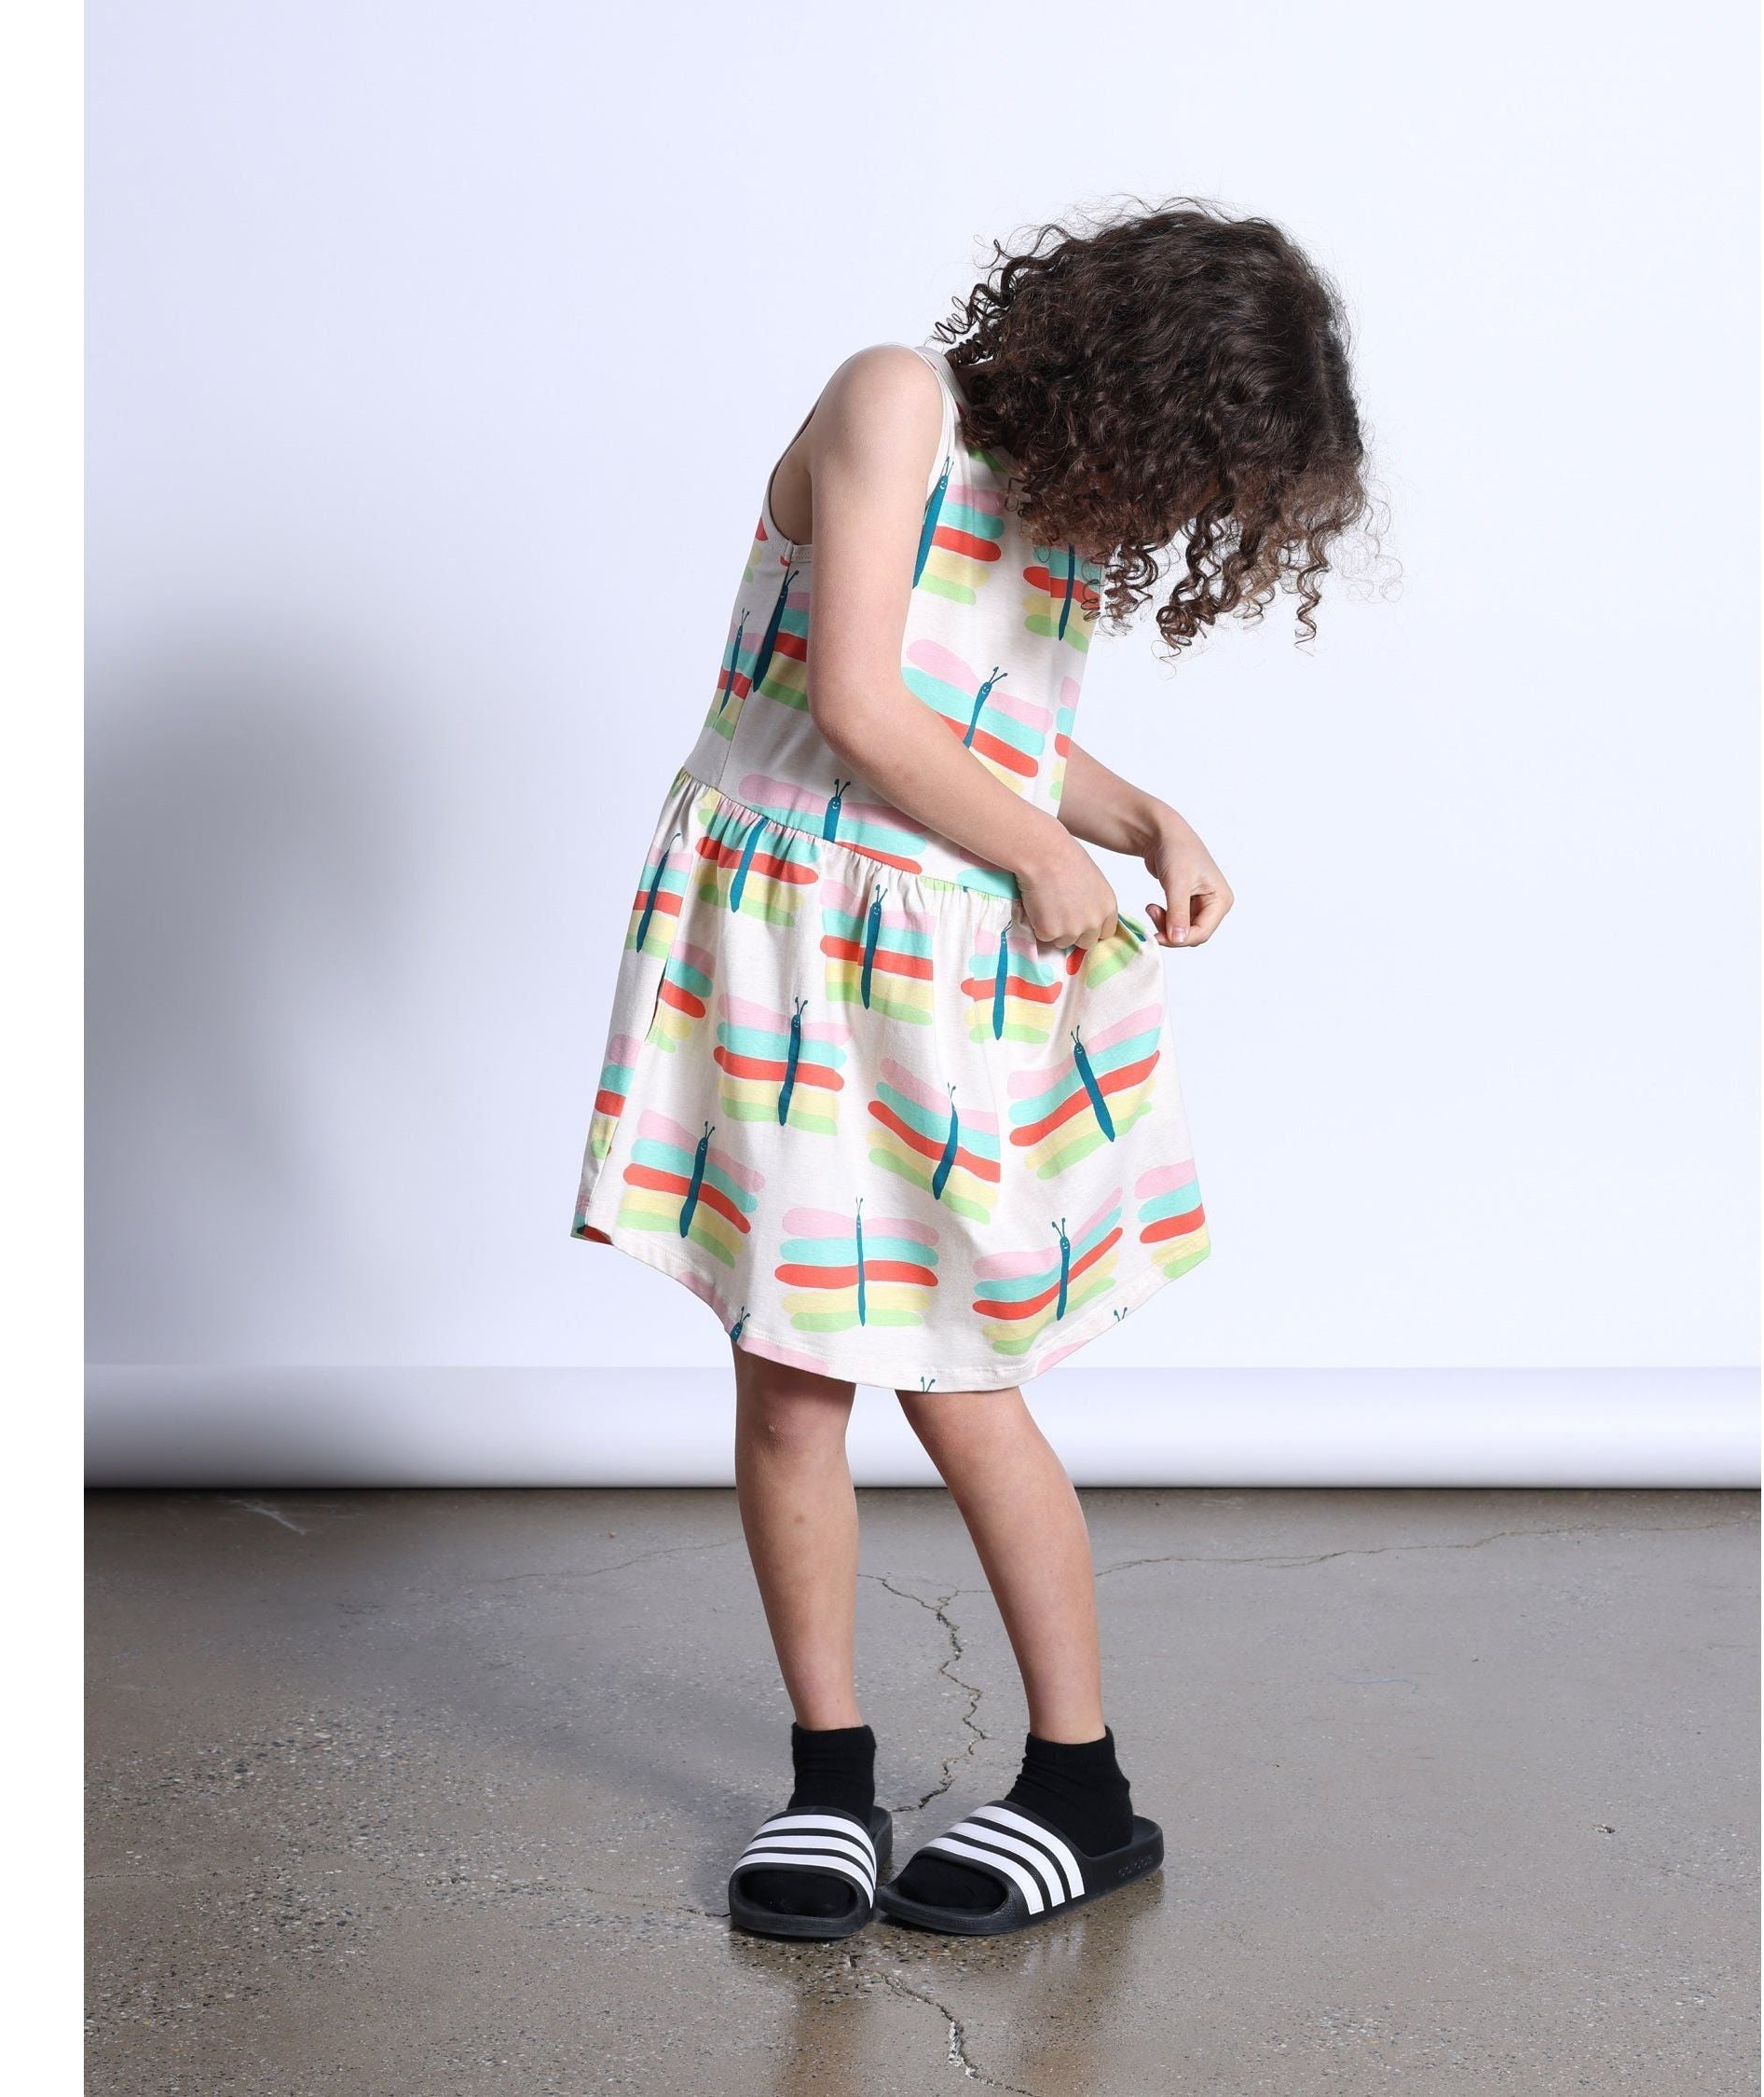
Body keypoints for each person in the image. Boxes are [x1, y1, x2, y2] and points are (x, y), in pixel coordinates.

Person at [572, 199, 1371, 1938]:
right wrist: (1041, 850)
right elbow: (856, 699)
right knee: (792, 1374)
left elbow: (985, 721)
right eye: (1186, 462)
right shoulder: (894, 402)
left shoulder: (1048, 505)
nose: (1170, 507)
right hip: (792, 940)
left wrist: (1136, 812)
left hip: (934, 965)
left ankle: (1083, 1788)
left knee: (962, 1368)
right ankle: (829, 1776)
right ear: (1131, 377)